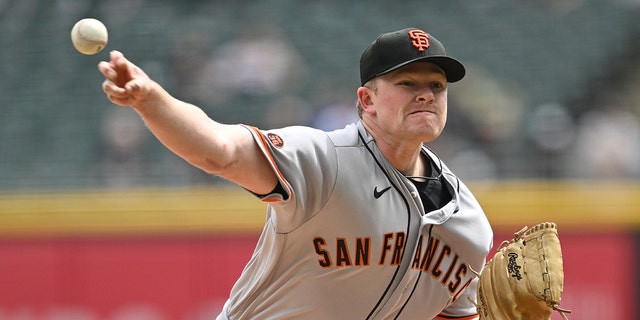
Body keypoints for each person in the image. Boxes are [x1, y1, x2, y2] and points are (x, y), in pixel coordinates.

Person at [98, 27, 493, 320]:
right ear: (367, 100)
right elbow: (219, 151)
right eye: (407, 83)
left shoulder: (469, 224)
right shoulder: (323, 159)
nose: (426, 94)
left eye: (436, 86)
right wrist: (151, 100)